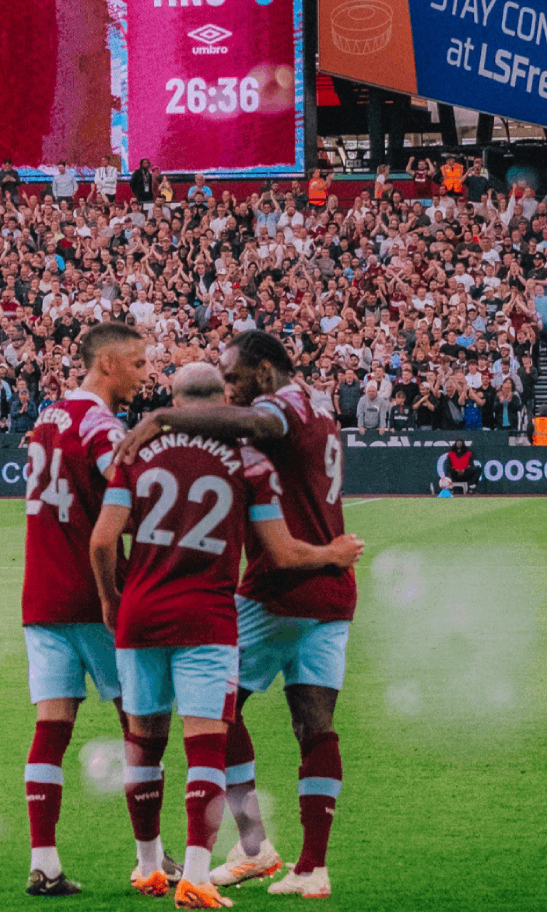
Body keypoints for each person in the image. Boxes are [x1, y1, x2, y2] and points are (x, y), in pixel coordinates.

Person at [90, 363, 363, 905]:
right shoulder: (251, 457)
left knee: (143, 743)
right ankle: (207, 871)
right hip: (216, 614)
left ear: (172, 397)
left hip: (141, 613)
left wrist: (110, 598)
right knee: (214, 743)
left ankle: (151, 864)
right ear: (221, 404)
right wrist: (332, 553)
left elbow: (102, 542)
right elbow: (283, 550)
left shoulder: (135, 453)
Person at [18, 322, 148, 897]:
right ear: (110, 366)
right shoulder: (101, 424)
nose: (146, 375)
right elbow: (127, 492)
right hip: (97, 597)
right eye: (139, 364)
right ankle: (151, 859)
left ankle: (43, 861)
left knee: (51, 730)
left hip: (40, 595)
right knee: (138, 726)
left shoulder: (49, 416)